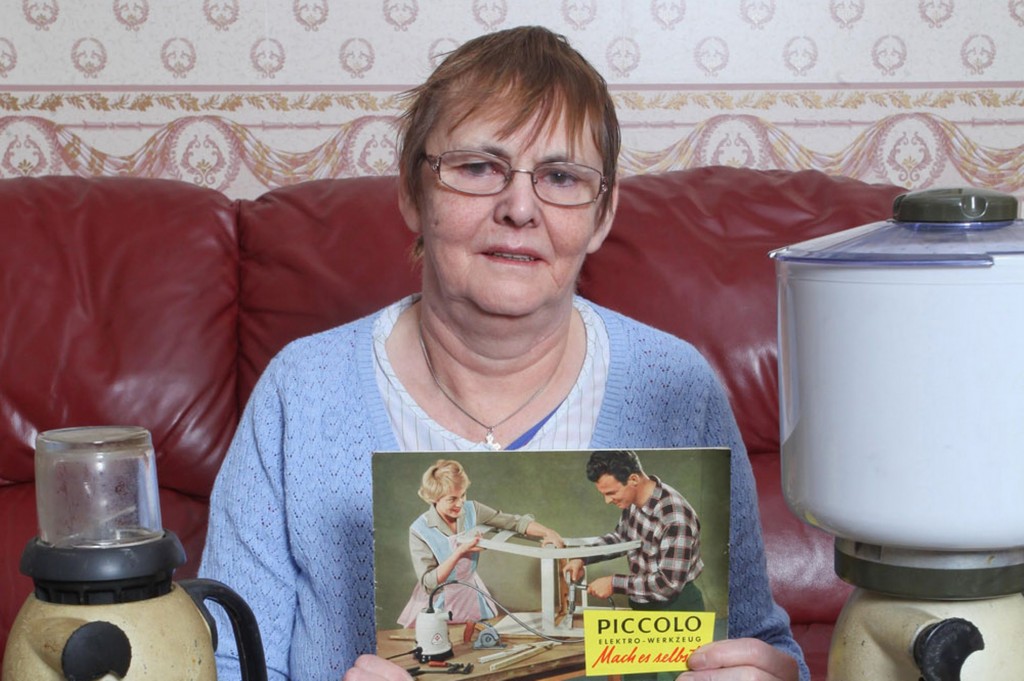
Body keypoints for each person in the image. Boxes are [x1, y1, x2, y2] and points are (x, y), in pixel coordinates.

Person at [200, 25, 807, 681]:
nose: (520, 207)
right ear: (412, 192)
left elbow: (766, 645)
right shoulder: (301, 390)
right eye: (478, 168)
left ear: (602, 215)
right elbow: (224, 663)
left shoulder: (682, 387)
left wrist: (771, 674)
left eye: (561, 176)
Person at [397, 458, 564, 626]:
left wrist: (548, 532)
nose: (460, 503)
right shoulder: (419, 530)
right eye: (452, 499)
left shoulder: (472, 509)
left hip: (470, 597)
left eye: (463, 495)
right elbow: (429, 584)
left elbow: (514, 522)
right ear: (434, 498)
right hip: (437, 602)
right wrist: (460, 551)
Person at [565, 450, 704, 612]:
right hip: (643, 604)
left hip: (676, 608)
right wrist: (581, 557)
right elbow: (621, 538)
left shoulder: (674, 517)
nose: (607, 501)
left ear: (633, 479)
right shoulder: (634, 500)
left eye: (612, 493)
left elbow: (668, 585)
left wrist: (613, 583)